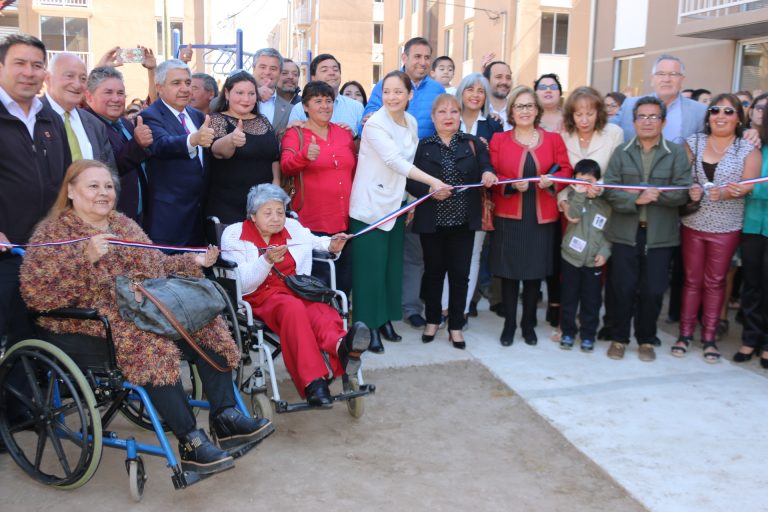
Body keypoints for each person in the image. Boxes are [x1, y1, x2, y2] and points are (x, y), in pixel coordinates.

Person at [19, 160, 273, 476]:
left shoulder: (123, 225)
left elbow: (157, 266)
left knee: (205, 320)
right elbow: (37, 295)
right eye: (93, 186)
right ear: (70, 191)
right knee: (150, 341)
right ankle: (191, 441)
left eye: (108, 186)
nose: (103, 193)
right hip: (85, 323)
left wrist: (192, 261)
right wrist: (84, 261)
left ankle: (226, 416)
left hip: (144, 308)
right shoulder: (53, 233)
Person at [220, 184, 370, 406]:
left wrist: (333, 244)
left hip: (296, 289)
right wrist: (266, 261)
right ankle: (313, 382)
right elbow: (241, 281)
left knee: (322, 309)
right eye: (268, 212)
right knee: (292, 309)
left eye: (280, 211)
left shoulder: (292, 227)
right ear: (252, 215)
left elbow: (317, 242)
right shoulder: (234, 234)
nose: (276, 218)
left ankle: (343, 348)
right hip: (259, 297)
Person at [349, 70, 448, 353]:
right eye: (387, 91)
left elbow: (408, 163)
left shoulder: (412, 121)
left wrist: (409, 200)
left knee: (391, 267)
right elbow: (395, 162)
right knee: (369, 272)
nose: (392, 97)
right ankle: (367, 326)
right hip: (371, 207)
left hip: (397, 203)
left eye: (398, 91)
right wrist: (432, 183)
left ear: (410, 95)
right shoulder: (375, 125)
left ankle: (385, 320)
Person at [603, 96, 692, 361]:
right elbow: (611, 191)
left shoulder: (675, 153)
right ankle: (619, 338)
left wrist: (656, 195)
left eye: (654, 117)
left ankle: (646, 339)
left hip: (660, 235)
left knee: (653, 290)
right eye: (642, 116)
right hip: (625, 232)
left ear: (663, 122)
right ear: (634, 121)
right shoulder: (622, 152)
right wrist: (636, 199)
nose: (647, 121)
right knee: (622, 288)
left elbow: (683, 191)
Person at [673, 94, 760, 363]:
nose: (720, 116)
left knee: (715, 282)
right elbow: (680, 177)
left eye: (728, 111)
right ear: (708, 116)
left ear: (738, 118)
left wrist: (727, 194)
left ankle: (709, 337)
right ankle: (685, 334)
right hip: (693, 223)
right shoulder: (694, 142)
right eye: (715, 110)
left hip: (726, 226)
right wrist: (690, 188)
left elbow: (749, 186)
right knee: (691, 280)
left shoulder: (747, 150)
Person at [0, 33, 71, 354]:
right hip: (6, 252)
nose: (28, 72)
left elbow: (67, 178)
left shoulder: (50, 118)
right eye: (19, 63)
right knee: (12, 335)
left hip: (47, 250)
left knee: (40, 335)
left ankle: (34, 398)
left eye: (36, 65)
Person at [408, 94, 496, 349]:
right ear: (433, 117)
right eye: (442, 112)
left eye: (454, 111)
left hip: (463, 223)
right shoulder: (422, 146)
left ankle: (456, 325)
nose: (449, 117)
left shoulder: (472, 144)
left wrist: (488, 172)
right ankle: (433, 320)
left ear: (460, 116)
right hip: (432, 222)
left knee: (460, 275)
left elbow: (485, 166)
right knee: (434, 273)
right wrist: (429, 192)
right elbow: (411, 180)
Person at [488, 85, 573, 346]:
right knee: (510, 273)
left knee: (535, 274)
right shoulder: (499, 140)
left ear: (537, 110)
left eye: (529, 106)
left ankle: (528, 324)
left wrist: (553, 181)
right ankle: (509, 324)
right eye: (519, 106)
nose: (525, 111)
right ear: (511, 111)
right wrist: (511, 184)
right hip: (509, 216)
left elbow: (567, 170)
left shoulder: (553, 139)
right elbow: (490, 174)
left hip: (541, 218)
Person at [559, 86, 624, 342]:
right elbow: (562, 174)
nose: (584, 120)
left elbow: (618, 172)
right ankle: (566, 326)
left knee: (595, 273)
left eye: (589, 113)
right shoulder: (564, 135)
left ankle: (589, 328)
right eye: (578, 114)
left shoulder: (614, 134)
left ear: (599, 113)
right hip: (573, 209)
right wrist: (563, 202)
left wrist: (600, 187)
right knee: (570, 271)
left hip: (601, 209)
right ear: (571, 116)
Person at [280, 80, 356, 295]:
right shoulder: (296, 134)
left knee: (344, 281)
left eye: (329, 101)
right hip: (313, 222)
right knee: (318, 283)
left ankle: (341, 325)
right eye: (318, 101)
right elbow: (286, 167)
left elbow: (354, 169)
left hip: (345, 220)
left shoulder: (343, 133)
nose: (324, 106)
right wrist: (304, 157)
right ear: (305, 106)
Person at [140, 59, 213, 247]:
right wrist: (193, 139)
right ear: (159, 87)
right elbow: (162, 145)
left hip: (198, 218)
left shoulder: (196, 115)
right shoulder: (151, 115)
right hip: (169, 219)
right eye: (176, 83)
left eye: (188, 83)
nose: (185, 88)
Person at [450, 73, 504, 323]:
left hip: (478, 199)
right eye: (469, 89)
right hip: (448, 196)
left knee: (472, 255)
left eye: (480, 91)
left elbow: (498, 162)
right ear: (461, 92)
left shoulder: (493, 125)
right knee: (447, 254)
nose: (474, 94)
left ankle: (460, 310)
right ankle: (442, 308)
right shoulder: (449, 117)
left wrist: (487, 149)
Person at [205, 71, 280, 225]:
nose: (246, 99)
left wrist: (276, 187)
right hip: (228, 204)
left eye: (251, 93)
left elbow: (273, 157)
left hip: (263, 204)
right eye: (239, 93)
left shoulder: (263, 120)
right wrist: (231, 140)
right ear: (227, 93)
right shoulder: (217, 119)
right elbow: (217, 151)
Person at [84, 66, 153, 223]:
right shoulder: (87, 125)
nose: (116, 99)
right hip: (110, 217)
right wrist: (137, 144)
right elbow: (108, 167)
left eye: (120, 93)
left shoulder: (125, 123)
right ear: (89, 96)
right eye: (108, 92)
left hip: (138, 215)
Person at [559, 159, 611, 352]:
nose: (584, 185)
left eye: (589, 181)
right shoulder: (571, 198)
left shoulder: (604, 204)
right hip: (571, 257)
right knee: (569, 297)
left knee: (592, 300)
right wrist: (579, 195)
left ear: (597, 181)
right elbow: (573, 215)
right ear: (574, 180)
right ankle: (567, 332)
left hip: (594, 261)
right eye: (580, 180)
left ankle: (588, 334)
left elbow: (609, 231)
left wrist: (605, 251)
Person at [734, 110, 768, 369]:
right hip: (753, 225)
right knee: (752, 283)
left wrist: (753, 188)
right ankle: (750, 338)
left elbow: (752, 186)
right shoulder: (756, 144)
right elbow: (745, 185)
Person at [42, 53, 116, 170]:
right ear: (48, 79)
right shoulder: (32, 118)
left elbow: (110, 175)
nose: (77, 85)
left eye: (83, 78)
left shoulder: (96, 125)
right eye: (69, 76)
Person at [612, 55, 707, 145]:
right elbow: (604, 129)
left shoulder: (700, 111)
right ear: (652, 79)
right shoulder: (630, 105)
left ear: (682, 80)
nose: (666, 79)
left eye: (673, 74)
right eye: (661, 74)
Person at [288, 54, 364, 137]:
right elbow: (291, 140)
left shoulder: (356, 107)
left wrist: (352, 137)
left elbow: (364, 143)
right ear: (313, 77)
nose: (331, 73)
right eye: (324, 70)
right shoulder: (300, 108)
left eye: (335, 69)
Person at [252, 48, 291, 136]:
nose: (267, 72)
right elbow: (216, 105)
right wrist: (254, 94)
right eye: (262, 67)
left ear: (280, 73)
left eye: (273, 69)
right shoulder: (238, 99)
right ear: (253, 69)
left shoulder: (289, 109)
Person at [482, 61, 513, 129]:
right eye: (499, 77)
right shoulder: (478, 110)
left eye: (508, 78)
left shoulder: (517, 111)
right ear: (486, 80)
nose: (504, 82)